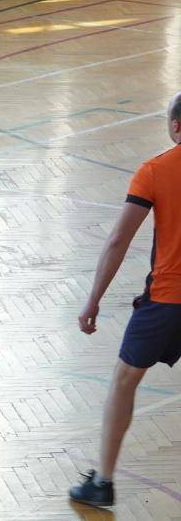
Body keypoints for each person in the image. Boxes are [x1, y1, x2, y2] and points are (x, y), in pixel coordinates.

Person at [69, 91, 181, 507]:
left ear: (175, 126)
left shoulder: (155, 171)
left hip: (168, 300)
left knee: (124, 380)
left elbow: (118, 240)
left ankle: (103, 482)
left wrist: (93, 300)